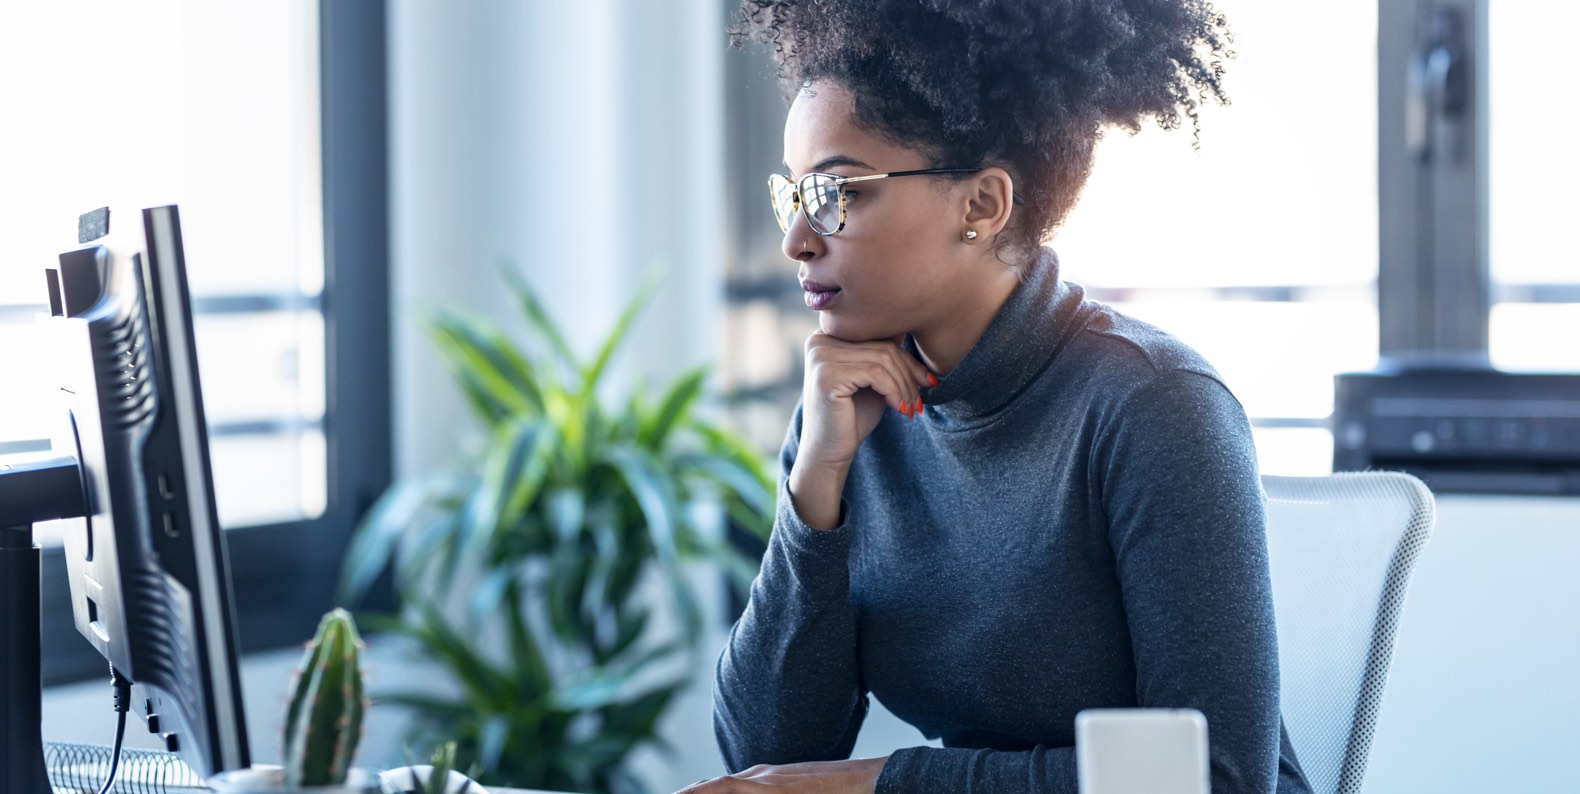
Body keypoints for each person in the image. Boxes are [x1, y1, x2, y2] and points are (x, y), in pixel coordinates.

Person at [689, 1, 1313, 792]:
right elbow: (760, 750)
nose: (798, 240)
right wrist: (815, 491)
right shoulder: (849, 412)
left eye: (838, 192)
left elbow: (1216, 780)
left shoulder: (1153, 404)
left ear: (982, 205)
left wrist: (873, 786)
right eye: (796, 195)